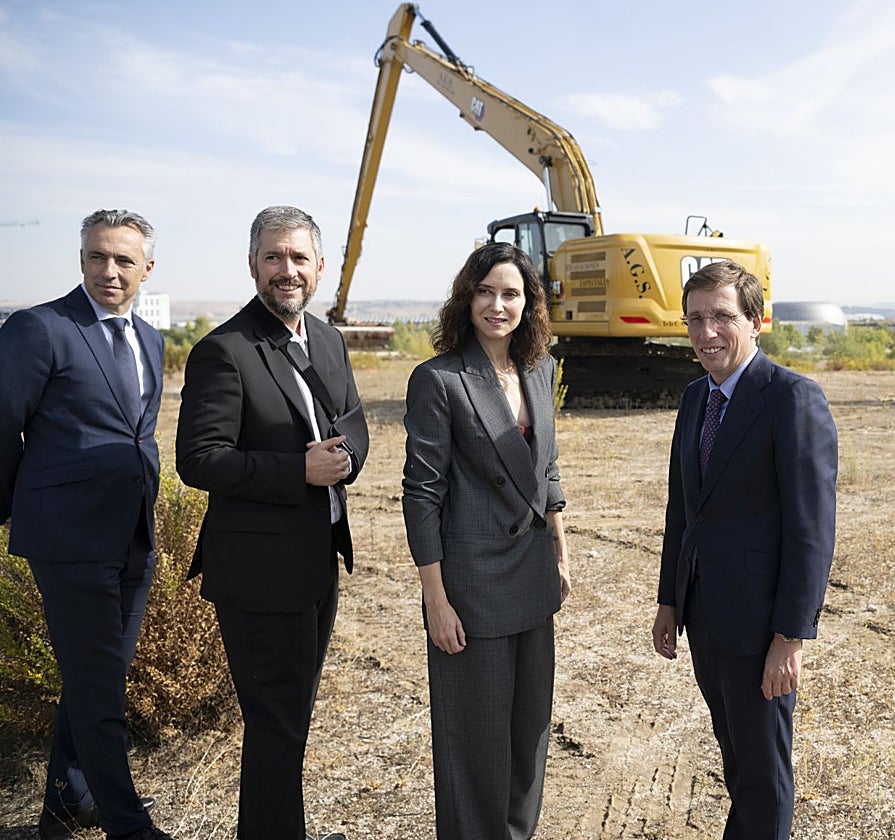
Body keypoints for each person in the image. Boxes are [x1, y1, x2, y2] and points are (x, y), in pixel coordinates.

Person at [176, 206, 368, 840]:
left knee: (292, 721)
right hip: (258, 575)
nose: (287, 270)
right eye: (273, 257)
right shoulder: (224, 350)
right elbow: (199, 460)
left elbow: (355, 423)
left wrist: (347, 459)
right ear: (253, 263)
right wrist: (296, 472)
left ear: (319, 267)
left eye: (299, 258)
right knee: (276, 727)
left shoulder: (329, 339)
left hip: (317, 564)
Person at [651, 260, 837, 840]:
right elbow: (683, 508)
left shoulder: (792, 399)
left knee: (763, 779)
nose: (707, 333)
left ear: (757, 321)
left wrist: (790, 636)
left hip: (761, 627)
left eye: (723, 317)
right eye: (695, 319)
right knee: (739, 765)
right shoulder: (693, 399)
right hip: (706, 616)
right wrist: (668, 601)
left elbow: (811, 531)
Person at [0, 210, 170, 840]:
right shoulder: (38, 328)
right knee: (101, 689)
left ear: (146, 269)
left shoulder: (149, 340)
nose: (109, 270)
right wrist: (12, 506)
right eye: (98, 256)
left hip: (132, 535)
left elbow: (136, 435)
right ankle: (130, 826)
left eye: (124, 260)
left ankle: (65, 807)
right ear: (80, 260)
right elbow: (2, 425)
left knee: (95, 676)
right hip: (68, 540)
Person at [401, 242, 571, 840]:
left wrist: (560, 549)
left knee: (528, 735)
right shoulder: (439, 379)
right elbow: (421, 496)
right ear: (466, 298)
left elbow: (546, 470)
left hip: (531, 576)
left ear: (529, 304)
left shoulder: (541, 368)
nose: (498, 306)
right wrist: (436, 600)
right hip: (469, 588)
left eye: (511, 294)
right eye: (486, 292)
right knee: (475, 741)